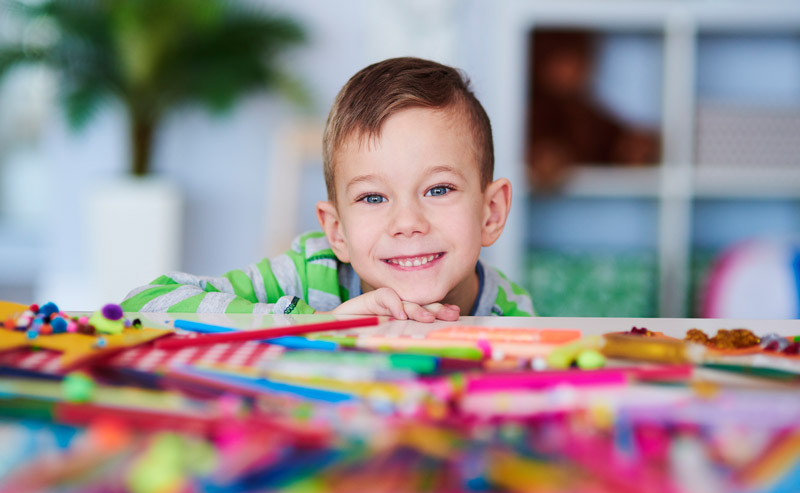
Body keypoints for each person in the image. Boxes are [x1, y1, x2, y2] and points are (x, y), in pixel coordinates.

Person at [122, 57, 534, 321]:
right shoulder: (312, 271)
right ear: (336, 231)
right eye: (373, 197)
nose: (408, 223)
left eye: (439, 189)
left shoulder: (510, 314)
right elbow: (145, 302)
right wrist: (322, 323)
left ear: (491, 212)